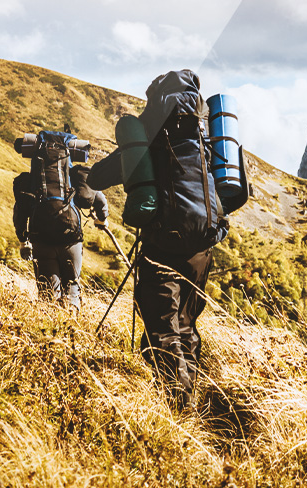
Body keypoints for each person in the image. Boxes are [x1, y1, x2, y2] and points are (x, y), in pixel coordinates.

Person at [87, 70, 225, 407]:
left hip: (161, 245)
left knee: (162, 328)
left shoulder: (149, 135)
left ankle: (178, 409)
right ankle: (187, 394)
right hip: (203, 245)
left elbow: (99, 177)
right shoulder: (204, 137)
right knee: (186, 324)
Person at [12, 167, 108, 310]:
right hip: (71, 240)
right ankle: (71, 322)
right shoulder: (75, 176)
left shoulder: (32, 181)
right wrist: (102, 219)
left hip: (41, 241)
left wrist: (23, 241)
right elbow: (98, 198)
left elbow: (20, 213)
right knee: (72, 285)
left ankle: (50, 325)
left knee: (48, 291)